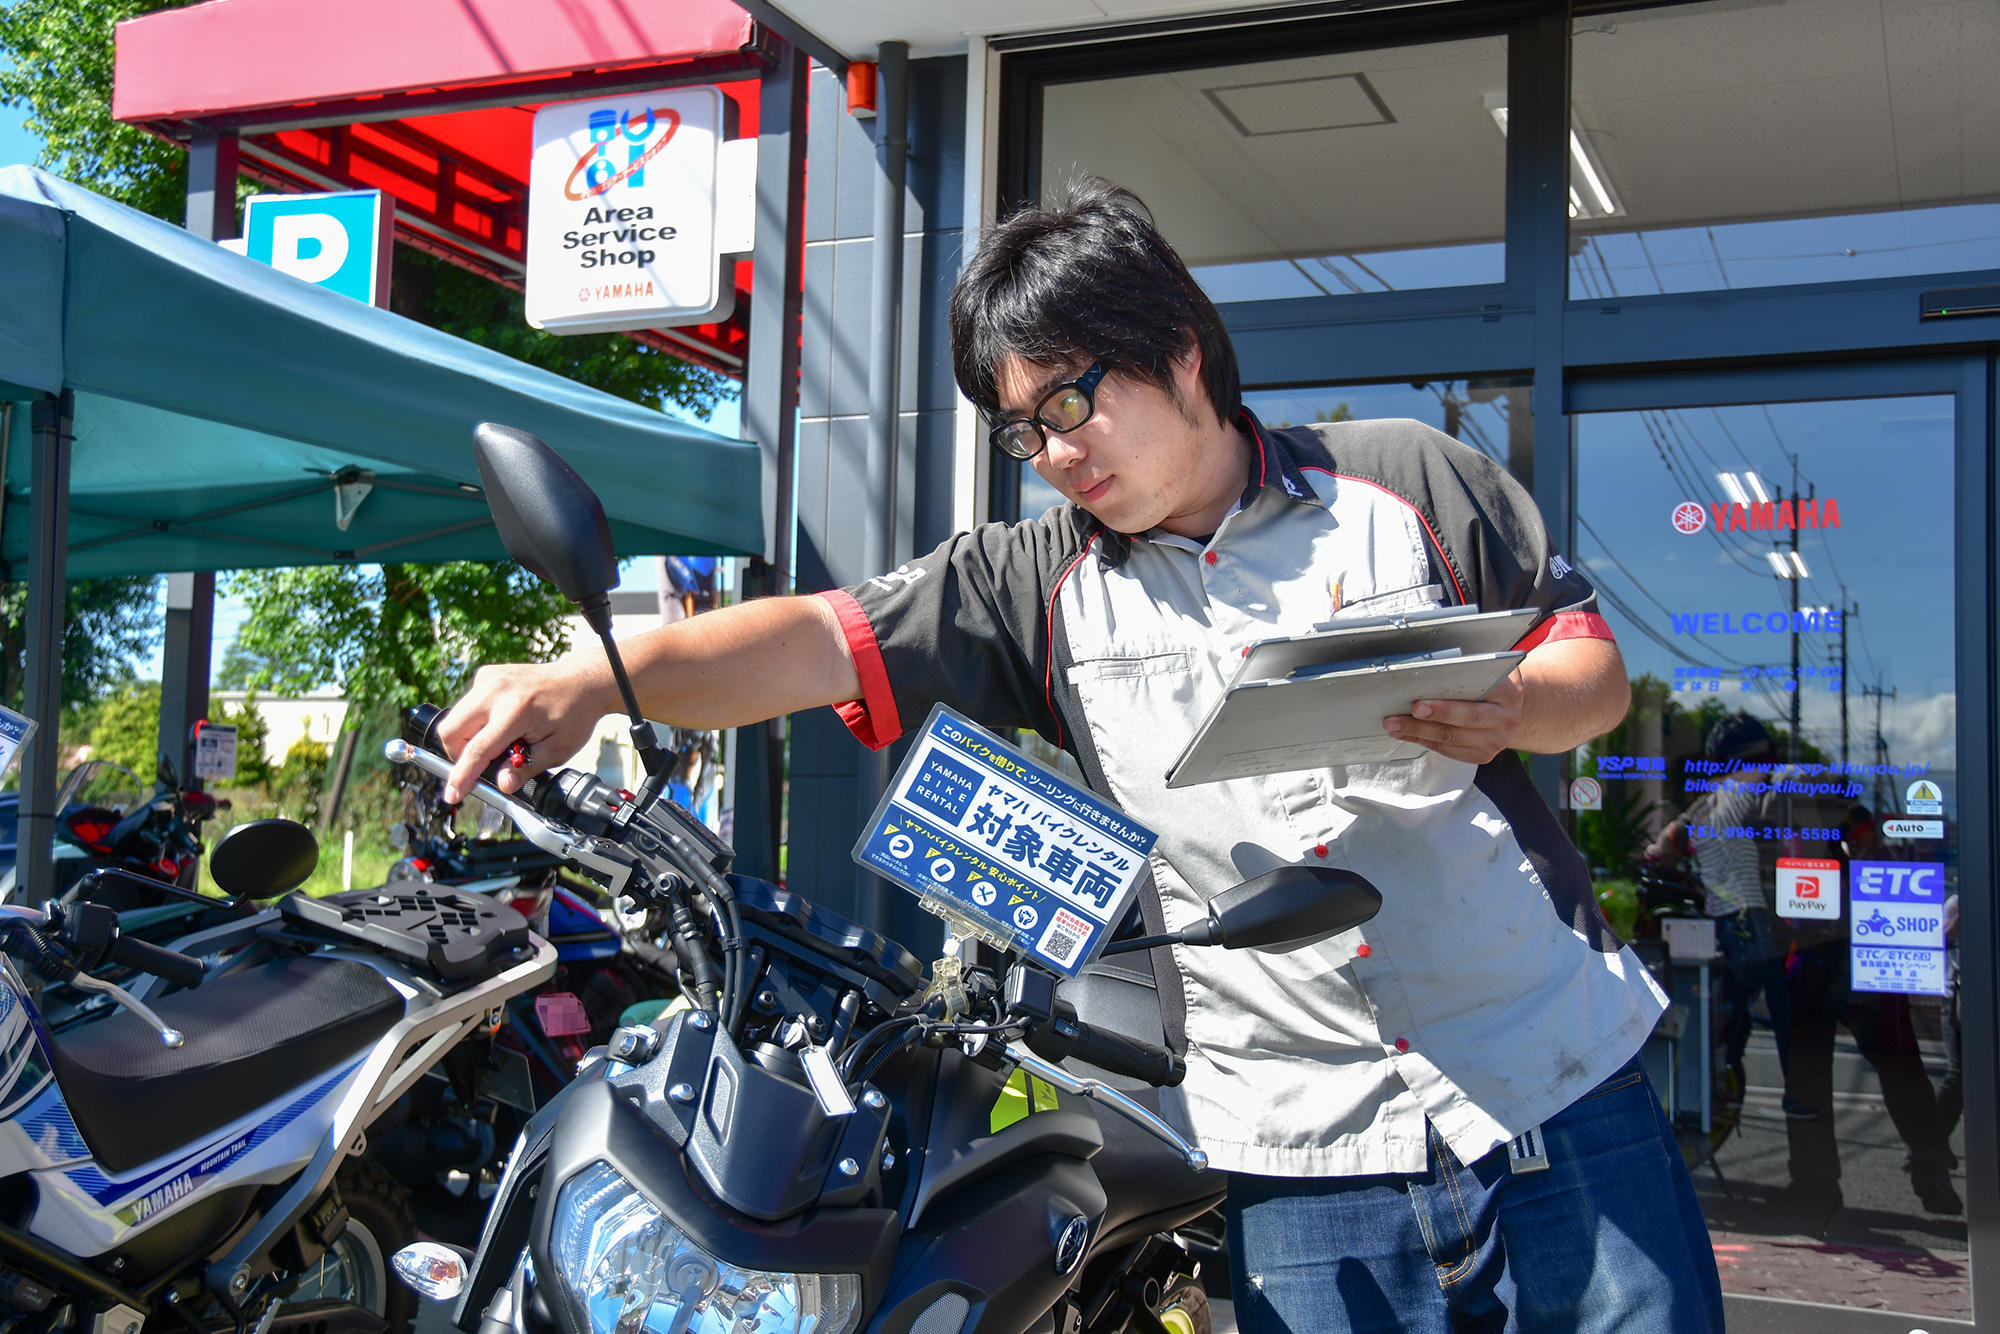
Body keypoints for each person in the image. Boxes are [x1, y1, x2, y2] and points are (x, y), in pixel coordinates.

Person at [440, 178, 1722, 1331]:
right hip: (1295, 1139)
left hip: (1549, 1068)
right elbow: (810, 642)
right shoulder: (1030, 582)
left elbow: (1591, 673)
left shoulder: (1407, 478)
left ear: (1176, 347)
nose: (1052, 453)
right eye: (1019, 430)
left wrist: (1511, 703)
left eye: (1067, 401)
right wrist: (584, 679)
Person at [1778, 805, 1961, 1216]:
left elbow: (1876, 858)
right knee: (1811, 1078)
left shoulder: (1828, 816)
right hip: (1818, 958)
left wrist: (1863, 857)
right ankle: (1816, 1180)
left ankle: (1928, 1166)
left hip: (1858, 956)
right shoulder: (1788, 819)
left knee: (1900, 1070)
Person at [1650, 714, 1805, 1116]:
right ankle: (1796, 1093)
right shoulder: (1769, 784)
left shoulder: (1709, 801)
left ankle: (1718, 1090)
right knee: (1785, 1009)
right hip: (1763, 918)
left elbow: (1664, 845)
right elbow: (1798, 847)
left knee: (1731, 1011)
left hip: (1722, 921)